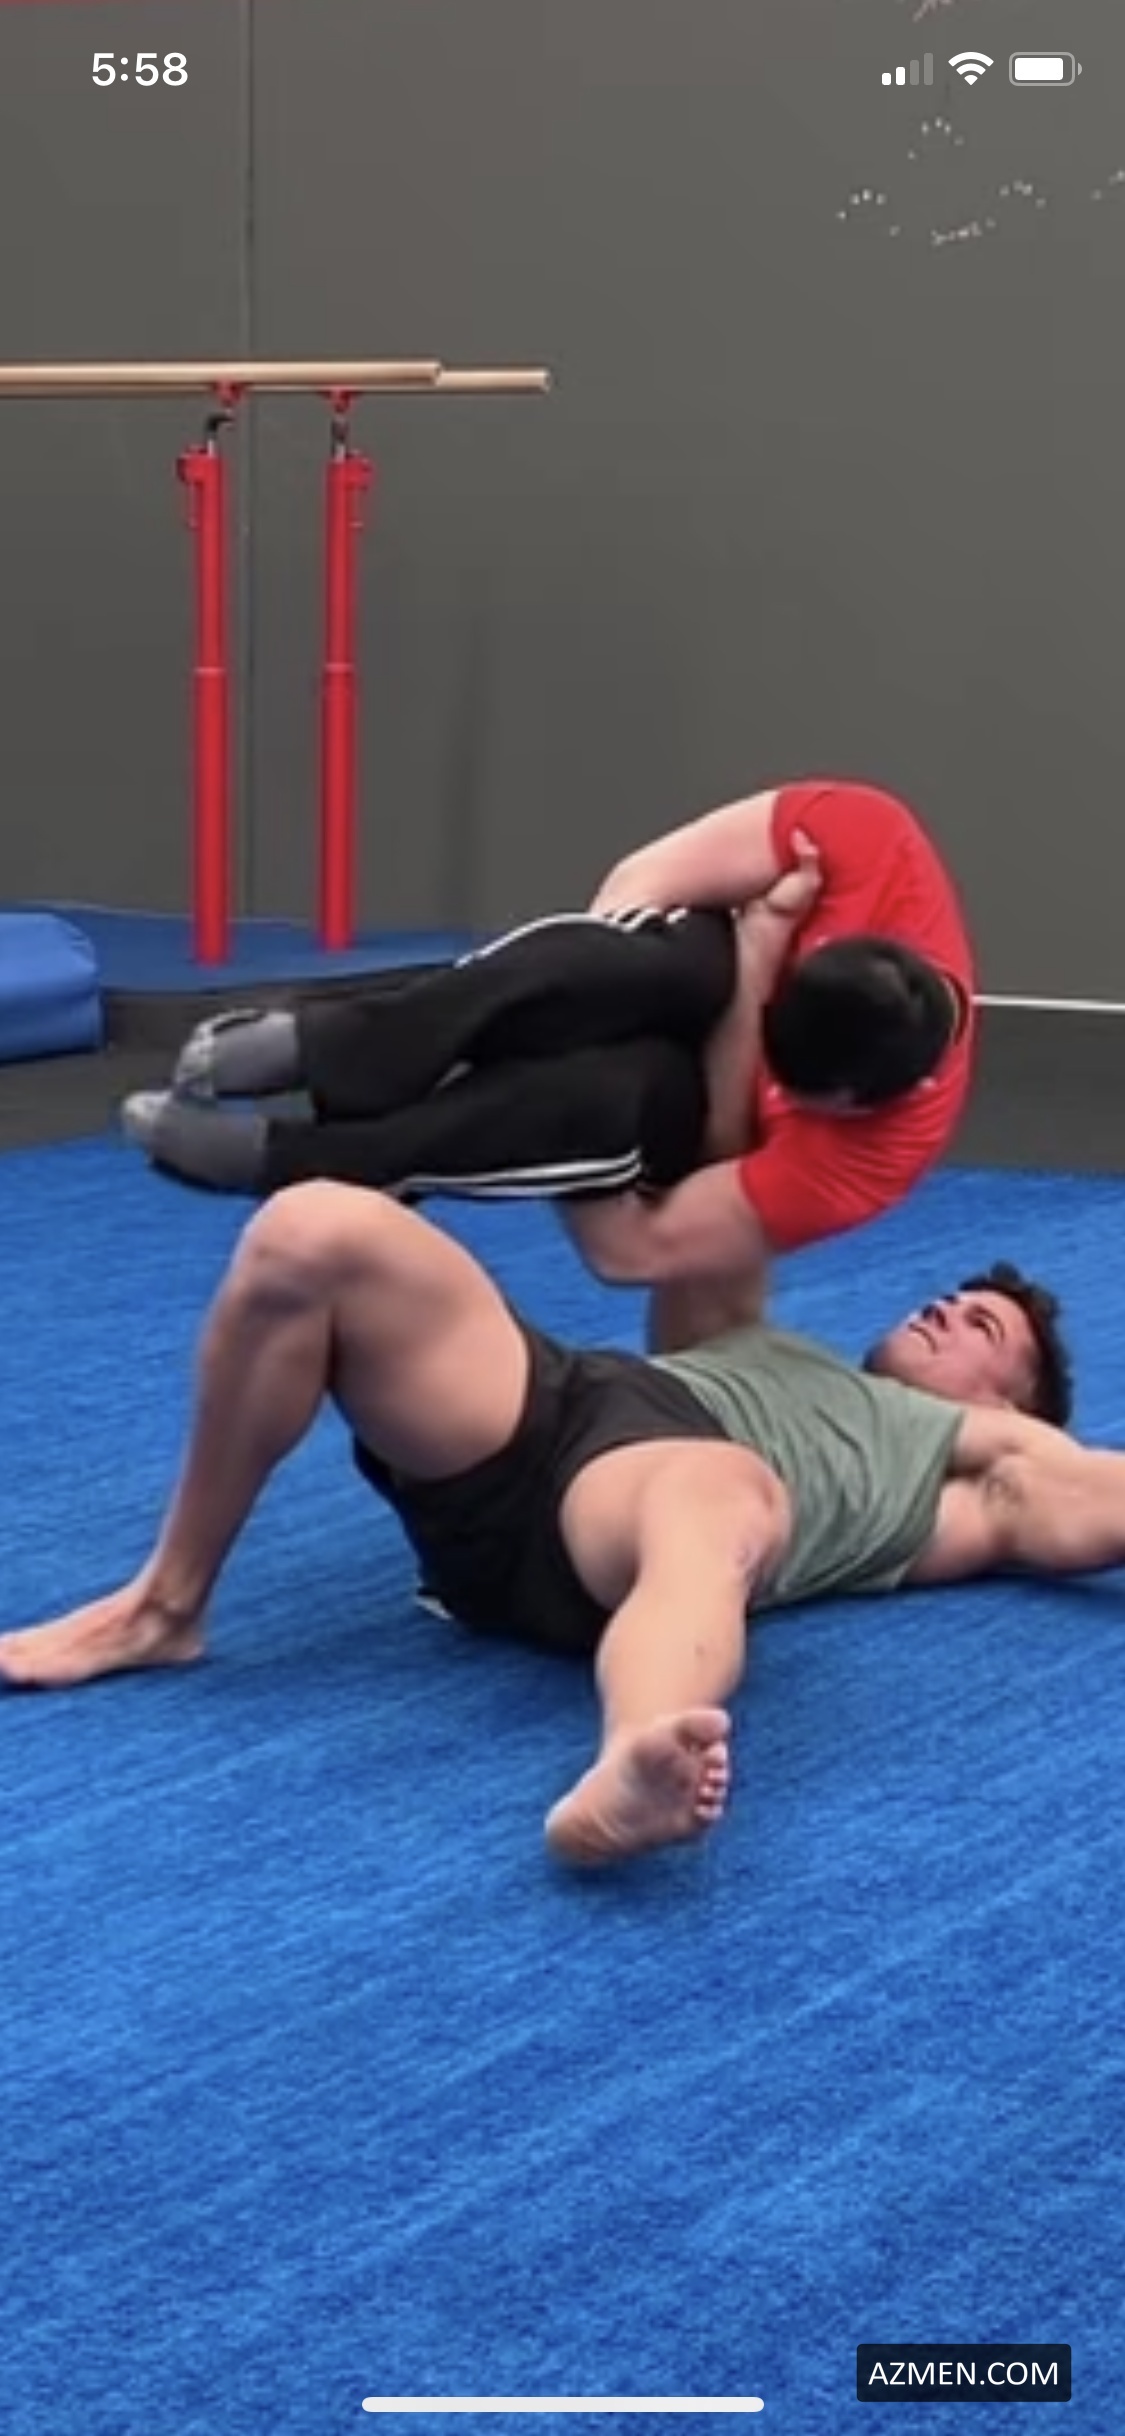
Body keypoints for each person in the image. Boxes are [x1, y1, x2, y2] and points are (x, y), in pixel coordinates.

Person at [2, 1179, 1098, 1878]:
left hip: (645, 1498)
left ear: (1017, 1404)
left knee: (719, 1491)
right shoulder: (759, 1339)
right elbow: (712, 1174)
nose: (944, 1307)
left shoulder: (992, 1473)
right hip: (555, 1405)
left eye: (981, 1326)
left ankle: (639, 1758)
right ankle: (166, 1606)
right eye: (950, 1296)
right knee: (312, 1229)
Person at [119, 778, 972, 1355]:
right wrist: (570, 1012)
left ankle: (306, 1160)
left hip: (686, 1111)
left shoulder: (872, 1161)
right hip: (682, 971)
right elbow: (637, 882)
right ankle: (343, 1044)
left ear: (855, 1105)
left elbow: (632, 1252)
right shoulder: (866, 837)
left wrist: (760, 952)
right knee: (656, 964)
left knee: (594, 1103)